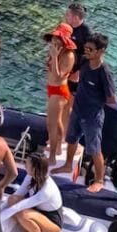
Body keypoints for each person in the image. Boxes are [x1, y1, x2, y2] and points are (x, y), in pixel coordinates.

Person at [53, 34, 116, 193]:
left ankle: (99, 180)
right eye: (85, 48)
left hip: (92, 115)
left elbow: (112, 99)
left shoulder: (104, 73)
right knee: (71, 138)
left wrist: (95, 100)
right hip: (78, 108)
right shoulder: (84, 61)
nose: (86, 51)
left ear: (101, 51)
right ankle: (68, 165)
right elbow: (75, 75)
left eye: (90, 49)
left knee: (94, 148)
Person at [4, 154, 63, 232]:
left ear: (35, 168)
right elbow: (18, 195)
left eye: (27, 163)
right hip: (38, 213)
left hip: (52, 225)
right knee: (12, 199)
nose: (24, 165)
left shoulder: (47, 190)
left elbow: (19, 207)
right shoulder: (30, 177)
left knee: (24, 215)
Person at [42, 23, 77, 166]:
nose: (55, 41)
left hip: (59, 91)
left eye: (58, 38)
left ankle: (52, 156)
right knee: (57, 122)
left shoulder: (68, 56)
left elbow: (58, 77)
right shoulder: (58, 51)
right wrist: (53, 56)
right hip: (52, 89)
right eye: (54, 38)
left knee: (51, 124)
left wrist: (55, 57)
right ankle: (57, 149)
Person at [64, 3, 92, 95]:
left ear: (75, 18)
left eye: (68, 15)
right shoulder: (68, 28)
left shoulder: (85, 32)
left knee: (71, 94)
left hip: (77, 71)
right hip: (67, 67)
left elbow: (90, 55)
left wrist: (79, 72)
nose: (65, 17)